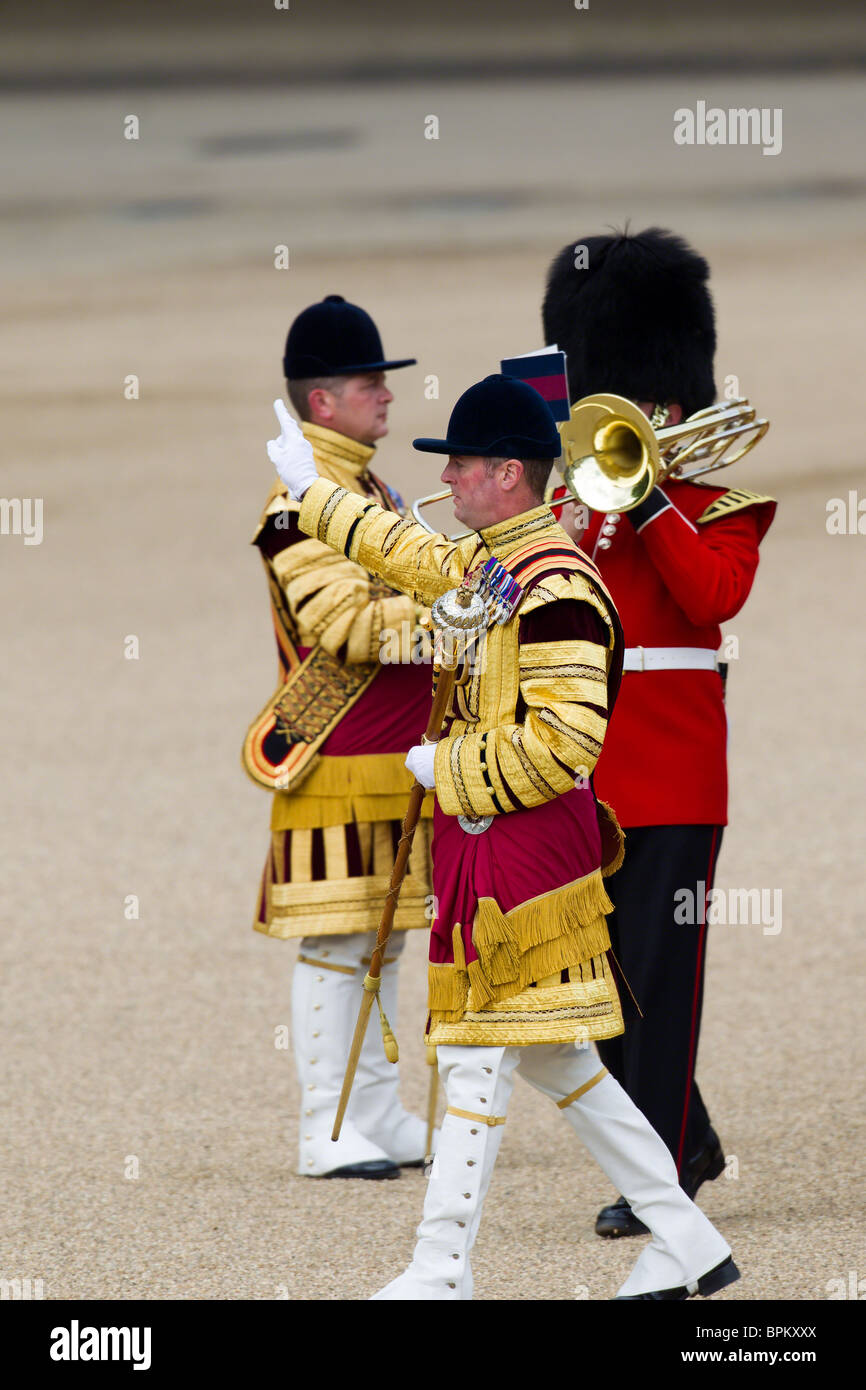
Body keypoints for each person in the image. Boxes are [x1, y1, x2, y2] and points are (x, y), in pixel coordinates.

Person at [266, 372, 740, 1300]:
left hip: (525, 850)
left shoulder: (555, 583)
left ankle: (442, 1267)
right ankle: (687, 1242)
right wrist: (310, 493)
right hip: (497, 843)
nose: (452, 484)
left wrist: (452, 771)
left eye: (467, 468)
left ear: (510, 475)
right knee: (565, 1063)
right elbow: (407, 554)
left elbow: (566, 743)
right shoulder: (503, 560)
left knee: (477, 1053)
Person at [542, 228, 776, 1237]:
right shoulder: (564, 504)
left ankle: (661, 1177)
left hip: (675, 779)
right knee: (586, 990)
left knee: (662, 989)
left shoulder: (717, 506)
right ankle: (687, 1137)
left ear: (669, 406)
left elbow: (708, 594)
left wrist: (643, 503)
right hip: (576, 771)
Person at [243, 294, 437, 1180]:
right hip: (334, 756)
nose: (386, 395)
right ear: (323, 402)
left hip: (391, 753)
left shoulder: (369, 491)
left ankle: (376, 1112)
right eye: (371, 382)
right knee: (335, 945)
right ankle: (325, 1127)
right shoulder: (297, 502)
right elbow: (345, 627)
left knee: (384, 936)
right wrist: (453, 623)